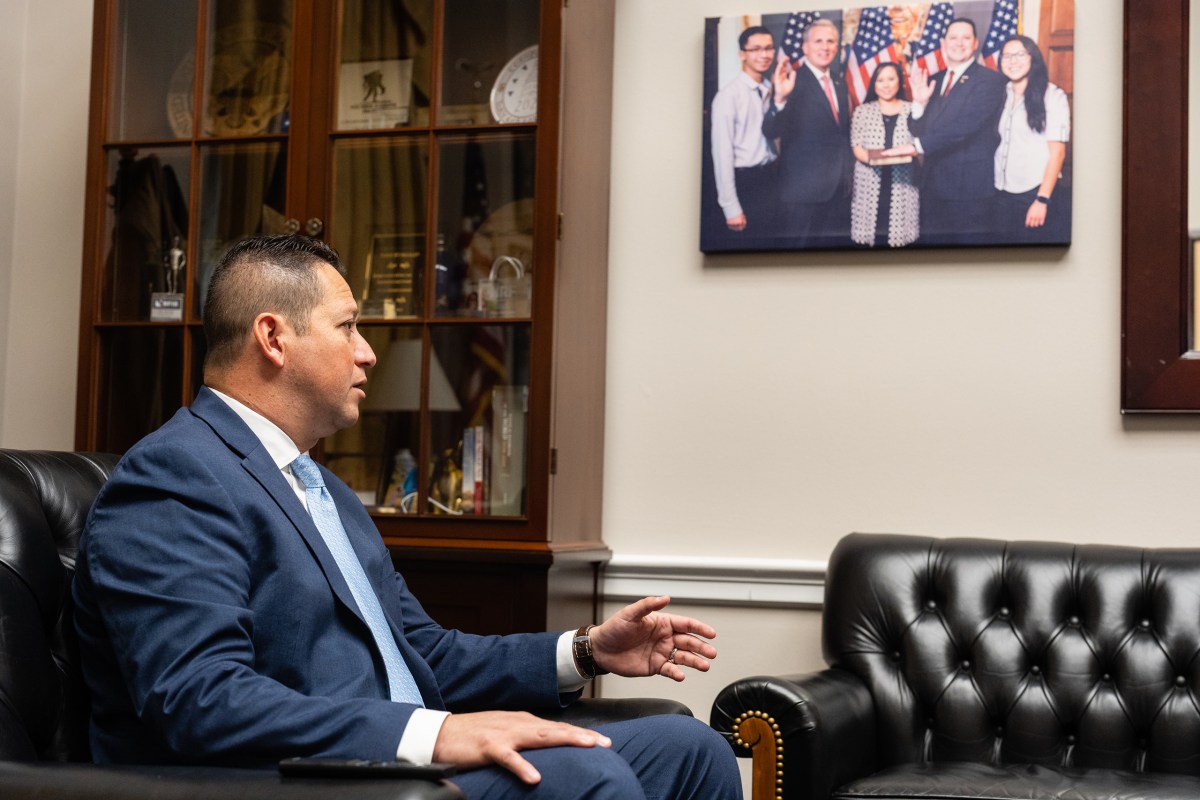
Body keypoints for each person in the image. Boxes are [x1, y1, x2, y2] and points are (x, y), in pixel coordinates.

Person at [72, 234, 742, 800]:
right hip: (305, 780)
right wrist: (435, 733)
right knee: (582, 775)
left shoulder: (324, 490)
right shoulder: (176, 476)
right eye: (348, 326)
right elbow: (200, 699)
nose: (367, 351)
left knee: (688, 748)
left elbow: (428, 655)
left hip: (399, 761)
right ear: (273, 337)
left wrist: (586, 651)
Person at [882, 17, 1006, 246]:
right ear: (942, 43)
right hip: (933, 187)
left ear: (975, 43)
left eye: (966, 38)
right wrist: (918, 105)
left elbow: (964, 127)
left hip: (969, 191)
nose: (959, 43)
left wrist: (916, 147)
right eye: (953, 38)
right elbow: (918, 129)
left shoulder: (990, 80)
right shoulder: (934, 80)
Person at [762, 18, 854, 248]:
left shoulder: (840, 83)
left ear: (837, 47)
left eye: (830, 41)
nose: (825, 47)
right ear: (805, 48)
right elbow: (771, 130)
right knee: (798, 259)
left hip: (838, 190)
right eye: (818, 41)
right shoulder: (790, 80)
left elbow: (841, 135)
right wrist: (780, 99)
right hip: (803, 192)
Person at [993, 35, 1070, 244]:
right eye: (1006, 56)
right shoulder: (1000, 93)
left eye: (1019, 54)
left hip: (1033, 193)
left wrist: (1041, 200)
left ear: (1033, 57)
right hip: (1000, 190)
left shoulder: (1053, 96)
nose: (1012, 61)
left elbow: (1058, 153)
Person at [707, 25, 779, 249]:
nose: (764, 55)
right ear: (742, 54)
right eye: (756, 49)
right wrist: (731, 206)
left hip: (770, 177)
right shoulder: (729, 96)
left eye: (768, 48)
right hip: (745, 182)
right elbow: (722, 153)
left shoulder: (770, 88)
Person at [849, 61, 920, 247]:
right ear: (874, 84)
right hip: (869, 181)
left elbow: (920, 145)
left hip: (903, 181)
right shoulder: (862, 111)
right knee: (871, 236)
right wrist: (876, 161)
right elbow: (856, 147)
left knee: (900, 237)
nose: (886, 85)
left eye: (891, 79)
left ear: (899, 82)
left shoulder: (912, 110)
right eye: (880, 80)